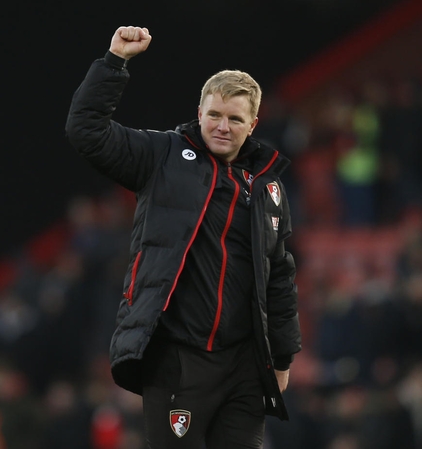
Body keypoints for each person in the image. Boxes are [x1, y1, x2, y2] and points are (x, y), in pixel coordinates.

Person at [65, 26, 301, 448]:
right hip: (178, 357)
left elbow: (279, 278)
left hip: (244, 367)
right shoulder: (163, 155)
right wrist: (114, 62)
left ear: (253, 125)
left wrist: (281, 359)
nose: (222, 126)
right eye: (214, 115)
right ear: (199, 111)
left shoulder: (269, 188)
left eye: (234, 119)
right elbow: (87, 131)